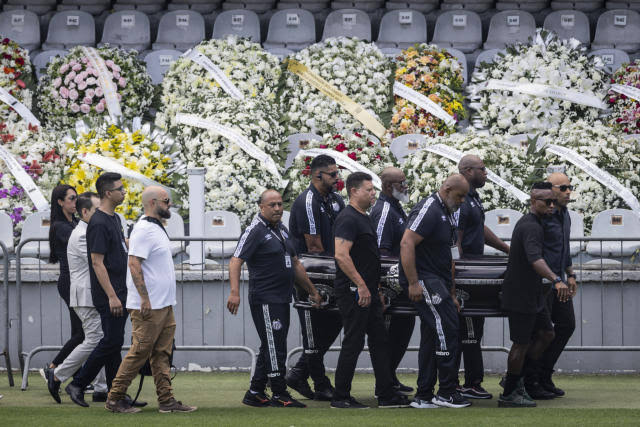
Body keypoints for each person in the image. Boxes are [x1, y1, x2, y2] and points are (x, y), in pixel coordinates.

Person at [227, 189, 323, 408]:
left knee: (271, 344)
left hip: (282, 297)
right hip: (265, 298)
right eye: (272, 205)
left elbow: (296, 263)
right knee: (275, 345)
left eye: (280, 204)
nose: (278, 209)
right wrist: (234, 292)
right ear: (261, 207)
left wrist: (311, 290)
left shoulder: (282, 229)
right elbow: (235, 261)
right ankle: (279, 393)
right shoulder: (255, 230)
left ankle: (255, 391)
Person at [106, 186, 196, 413]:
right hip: (149, 305)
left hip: (163, 303)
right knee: (140, 352)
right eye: (166, 201)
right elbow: (134, 264)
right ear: (153, 202)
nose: (170, 205)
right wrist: (144, 298)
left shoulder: (155, 228)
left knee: (162, 353)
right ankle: (115, 397)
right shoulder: (144, 229)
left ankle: (166, 400)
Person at [331, 172, 409, 409]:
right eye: (369, 190)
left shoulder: (363, 217)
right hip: (354, 291)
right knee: (353, 342)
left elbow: (368, 259)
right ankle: (341, 396)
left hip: (368, 291)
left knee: (379, 341)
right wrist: (362, 286)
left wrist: (375, 289)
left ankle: (386, 393)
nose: (373, 193)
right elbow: (341, 255)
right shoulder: (348, 218)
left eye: (374, 190)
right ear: (354, 191)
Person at [400, 174, 471, 409]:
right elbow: (406, 243)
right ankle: (447, 392)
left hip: (438, 280)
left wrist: (451, 292)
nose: (462, 200)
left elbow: (451, 255)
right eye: (459, 195)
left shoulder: (448, 213)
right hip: (425, 279)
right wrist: (413, 282)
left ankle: (424, 395)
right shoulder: (430, 209)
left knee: (433, 334)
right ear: (447, 189)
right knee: (448, 328)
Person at [65, 173, 136, 408]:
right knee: (111, 342)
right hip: (109, 293)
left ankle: (116, 393)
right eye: (120, 189)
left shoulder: (114, 219)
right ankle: (78, 382)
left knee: (114, 344)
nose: (123, 192)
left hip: (120, 289)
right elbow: (97, 262)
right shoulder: (98, 222)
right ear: (108, 193)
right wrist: (112, 296)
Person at [498, 182, 570, 408]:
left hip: (532, 292)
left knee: (547, 333)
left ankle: (518, 378)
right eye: (546, 202)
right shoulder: (530, 226)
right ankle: (509, 392)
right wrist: (556, 279)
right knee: (520, 343)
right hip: (521, 293)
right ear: (533, 201)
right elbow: (535, 259)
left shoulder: (537, 224)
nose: (551, 206)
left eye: (553, 202)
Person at [287, 155, 345, 401]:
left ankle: (299, 372)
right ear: (317, 175)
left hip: (331, 271)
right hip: (309, 275)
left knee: (336, 320)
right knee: (312, 330)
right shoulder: (307, 201)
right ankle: (321, 384)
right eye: (332, 174)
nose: (337, 178)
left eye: (337, 173)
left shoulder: (335, 199)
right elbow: (314, 245)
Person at [455, 155, 510, 400]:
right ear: (467, 171)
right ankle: (469, 383)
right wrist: (456, 273)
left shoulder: (473, 199)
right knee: (467, 330)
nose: (486, 173)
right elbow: (455, 240)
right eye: (482, 169)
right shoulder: (461, 200)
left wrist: (507, 249)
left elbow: (480, 230)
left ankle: (468, 382)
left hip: (472, 272)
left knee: (473, 330)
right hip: (465, 277)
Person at [47, 192, 108, 404]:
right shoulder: (82, 235)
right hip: (85, 295)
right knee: (95, 339)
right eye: (96, 210)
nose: (101, 214)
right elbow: (99, 260)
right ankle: (58, 374)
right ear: (85, 212)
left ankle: (102, 387)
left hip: (90, 294)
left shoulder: (88, 231)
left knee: (101, 339)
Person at [369, 167, 414, 396]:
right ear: (388, 187)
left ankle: (390, 377)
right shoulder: (385, 211)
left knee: (402, 331)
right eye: (401, 183)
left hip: (399, 284)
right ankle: (383, 385)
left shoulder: (395, 207)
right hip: (390, 287)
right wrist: (380, 289)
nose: (405, 187)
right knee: (390, 336)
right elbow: (379, 253)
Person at [533, 172, 577, 397]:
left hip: (559, 281)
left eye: (570, 187)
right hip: (543, 284)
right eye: (563, 188)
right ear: (550, 190)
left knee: (567, 325)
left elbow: (564, 248)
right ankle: (531, 379)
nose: (569, 192)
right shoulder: (541, 216)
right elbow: (535, 253)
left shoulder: (565, 214)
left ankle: (544, 374)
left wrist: (570, 275)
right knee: (542, 332)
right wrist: (555, 278)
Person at [44, 185, 82, 380]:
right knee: (82, 333)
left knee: (80, 332)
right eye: (72, 198)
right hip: (70, 282)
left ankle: (59, 368)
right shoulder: (61, 227)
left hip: (75, 281)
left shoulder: (74, 223)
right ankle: (55, 367)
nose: (75, 202)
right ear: (60, 202)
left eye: (76, 198)